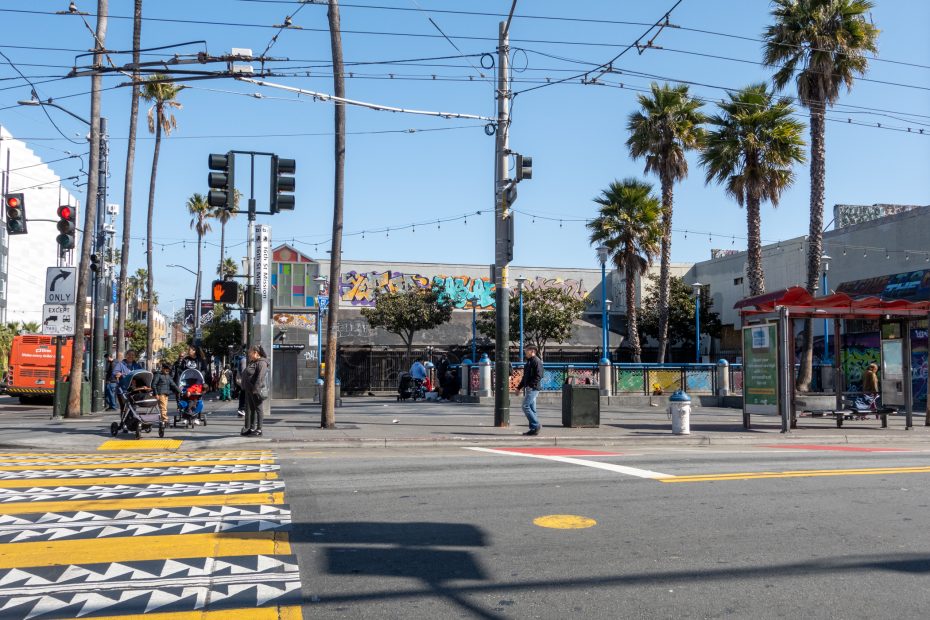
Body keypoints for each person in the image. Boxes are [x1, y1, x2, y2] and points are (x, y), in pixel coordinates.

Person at [240, 345, 269, 437]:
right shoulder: (253, 362)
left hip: (255, 390)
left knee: (258, 409)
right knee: (252, 410)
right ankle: (252, 428)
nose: (249, 355)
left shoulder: (261, 363)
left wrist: (255, 390)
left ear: (256, 353)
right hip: (249, 390)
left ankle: (259, 429)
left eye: (250, 353)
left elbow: (260, 377)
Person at [516, 346, 543, 435]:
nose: (525, 353)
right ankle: (533, 429)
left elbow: (539, 375)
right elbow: (525, 377)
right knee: (532, 409)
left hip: (533, 388)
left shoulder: (536, 361)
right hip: (529, 388)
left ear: (532, 351)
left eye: (526, 351)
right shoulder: (528, 362)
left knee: (525, 406)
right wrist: (519, 387)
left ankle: (536, 425)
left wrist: (531, 385)